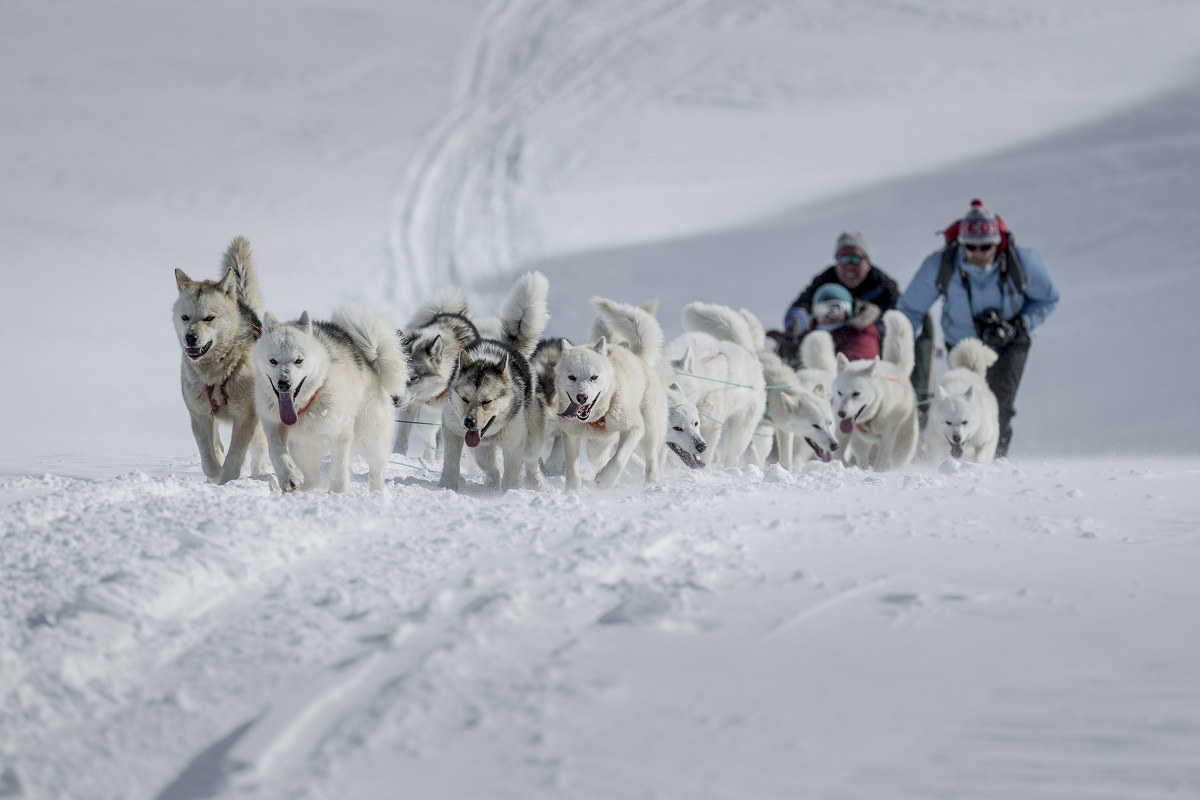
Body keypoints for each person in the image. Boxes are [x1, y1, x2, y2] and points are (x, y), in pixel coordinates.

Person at [897, 199, 1060, 458]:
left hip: (1010, 344)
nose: (977, 252)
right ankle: (954, 460)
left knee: (1000, 404)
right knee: (959, 406)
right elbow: (910, 309)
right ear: (960, 243)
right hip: (962, 346)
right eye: (970, 246)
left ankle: (993, 460)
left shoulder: (1024, 263)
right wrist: (902, 348)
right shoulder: (942, 265)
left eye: (985, 246)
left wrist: (1019, 325)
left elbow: (1048, 298)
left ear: (998, 242)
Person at [778, 231, 935, 406]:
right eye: (843, 259)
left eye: (856, 259)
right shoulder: (826, 281)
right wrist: (796, 324)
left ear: (867, 260)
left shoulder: (882, 285)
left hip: (873, 341)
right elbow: (802, 304)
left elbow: (899, 318)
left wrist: (869, 322)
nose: (849, 266)